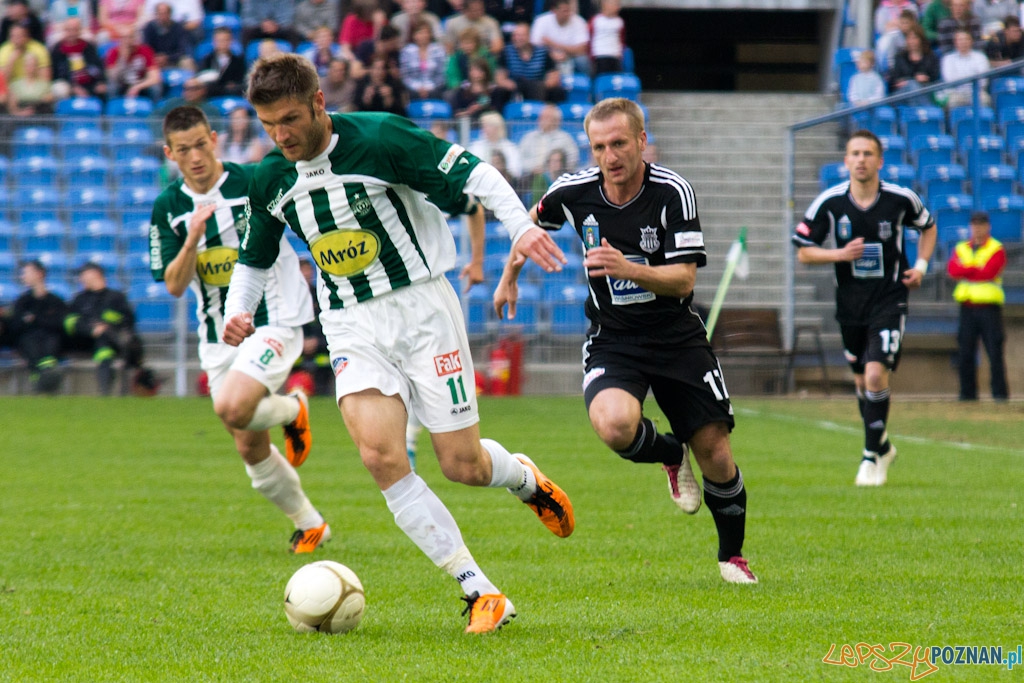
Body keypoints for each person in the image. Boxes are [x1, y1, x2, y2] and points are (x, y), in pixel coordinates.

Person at [222, 53, 575, 633]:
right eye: (267, 126)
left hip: (423, 310)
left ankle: (523, 479)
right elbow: (254, 258)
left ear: (317, 103)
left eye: (288, 119)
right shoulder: (270, 178)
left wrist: (523, 226)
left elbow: (476, 174)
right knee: (380, 457)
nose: (279, 135)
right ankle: (480, 592)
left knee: (461, 464)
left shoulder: (382, 138)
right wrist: (240, 310)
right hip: (349, 324)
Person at [494, 97, 756, 585]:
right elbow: (528, 226)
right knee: (614, 425)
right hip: (614, 338)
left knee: (716, 452)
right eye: (599, 147)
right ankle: (668, 454)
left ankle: (732, 557)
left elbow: (683, 282)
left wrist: (626, 267)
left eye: (619, 143)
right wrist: (509, 276)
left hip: (677, 338)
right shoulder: (574, 191)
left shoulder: (674, 192)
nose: (610, 156)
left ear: (641, 142)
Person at [151, 105, 331, 554]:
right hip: (218, 335)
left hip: (275, 316)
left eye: (200, 144)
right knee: (249, 447)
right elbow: (174, 285)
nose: (195, 157)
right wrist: (192, 239)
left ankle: (291, 411)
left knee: (232, 406)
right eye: (183, 150)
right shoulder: (168, 207)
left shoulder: (253, 181)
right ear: (169, 153)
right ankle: (310, 523)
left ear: (214, 139)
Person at [793, 129, 937, 487]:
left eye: (868, 154)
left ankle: (870, 457)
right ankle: (883, 444)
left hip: (889, 299)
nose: (861, 160)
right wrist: (839, 254)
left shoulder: (900, 199)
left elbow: (929, 227)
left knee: (875, 375)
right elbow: (804, 251)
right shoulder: (830, 202)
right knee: (861, 381)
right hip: (850, 305)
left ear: (880, 161)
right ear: (845, 161)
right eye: (854, 153)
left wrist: (920, 266)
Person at [947, 210, 1009, 401]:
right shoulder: (962, 247)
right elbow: (952, 270)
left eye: (981, 225)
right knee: (965, 351)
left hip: (989, 307)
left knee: (994, 351)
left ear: (987, 227)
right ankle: (967, 394)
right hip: (967, 307)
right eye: (974, 225)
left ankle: (999, 394)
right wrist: (974, 269)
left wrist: (967, 269)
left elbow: (989, 272)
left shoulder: (996, 248)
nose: (978, 229)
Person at [63, 262, 144, 395]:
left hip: (110, 341)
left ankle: (106, 390)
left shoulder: (116, 297)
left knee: (104, 343)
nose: (80, 279)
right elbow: (70, 322)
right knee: (104, 342)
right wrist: (91, 330)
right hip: (84, 342)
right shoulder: (80, 299)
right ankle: (106, 390)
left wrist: (105, 325)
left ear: (95, 274)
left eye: (82, 275)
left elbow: (127, 320)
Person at [0, 260, 67, 394]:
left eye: (26, 272)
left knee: (50, 339)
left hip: (50, 342)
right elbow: (16, 325)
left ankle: (42, 375)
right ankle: (45, 375)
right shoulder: (23, 301)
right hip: (28, 343)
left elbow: (59, 324)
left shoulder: (55, 301)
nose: (22, 276)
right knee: (30, 340)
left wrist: (34, 320)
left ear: (39, 274)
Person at [497, 21, 564, 103]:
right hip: (515, 86)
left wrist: (542, 85)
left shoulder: (542, 51)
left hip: (538, 85)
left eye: (521, 35)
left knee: (556, 91)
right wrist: (512, 85)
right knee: (498, 91)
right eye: (515, 35)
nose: (517, 38)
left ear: (529, 36)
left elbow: (553, 77)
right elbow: (500, 78)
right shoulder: (506, 51)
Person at [50, 17, 108, 99]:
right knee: (60, 89)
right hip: (68, 84)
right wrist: (73, 87)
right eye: (69, 30)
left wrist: (100, 82)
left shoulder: (88, 47)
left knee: (103, 88)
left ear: (80, 31)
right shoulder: (58, 50)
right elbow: (56, 74)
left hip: (89, 83)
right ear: (64, 31)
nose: (72, 33)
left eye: (75, 30)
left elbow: (98, 67)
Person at [529, 0, 589, 77]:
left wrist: (552, 43)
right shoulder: (541, 20)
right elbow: (534, 45)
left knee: (582, 60)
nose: (567, 14)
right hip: (547, 56)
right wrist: (551, 54)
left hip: (571, 56)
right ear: (554, 11)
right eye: (564, 11)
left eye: (568, 10)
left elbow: (582, 49)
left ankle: (589, 85)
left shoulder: (579, 21)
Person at [518, 102, 579, 176]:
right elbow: (520, 159)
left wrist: (551, 169)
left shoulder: (565, 139)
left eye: (547, 117)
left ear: (556, 120)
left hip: (556, 177)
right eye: (541, 117)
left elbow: (572, 160)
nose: (541, 119)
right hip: (530, 176)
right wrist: (533, 168)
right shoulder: (529, 137)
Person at [104, 25, 162, 99]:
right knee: (112, 87)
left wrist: (137, 87)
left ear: (135, 38)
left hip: (140, 83)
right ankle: (112, 108)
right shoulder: (113, 52)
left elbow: (155, 77)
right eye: (123, 38)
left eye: (129, 37)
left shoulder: (145, 50)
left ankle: (156, 109)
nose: (127, 41)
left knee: (155, 88)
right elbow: (112, 77)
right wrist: (122, 59)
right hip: (122, 84)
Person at [888, 23, 940, 106]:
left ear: (920, 39)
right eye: (909, 38)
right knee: (912, 85)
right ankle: (925, 112)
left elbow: (935, 78)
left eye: (914, 38)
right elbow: (894, 80)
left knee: (914, 87)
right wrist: (911, 80)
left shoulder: (931, 58)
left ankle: (918, 114)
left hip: (924, 90)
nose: (912, 41)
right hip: (901, 94)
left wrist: (927, 79)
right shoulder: (900, 57)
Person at [939, 28, 991, 109]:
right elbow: (950, 80)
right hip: (956, 93)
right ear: (955, 42)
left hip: (976, 92)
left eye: (966, 39)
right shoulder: (948, 59)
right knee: (953, 101)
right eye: (960, 40)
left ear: (971, 41)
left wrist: (963, 80)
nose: (963, 42)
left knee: (984, 99)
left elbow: (983, 81)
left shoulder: (980, 57)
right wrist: (971, 78)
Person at [398, 17, 446, 100]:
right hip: (413, 89)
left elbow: (441, 74)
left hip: (434, 88)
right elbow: (405, 75)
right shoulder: (407, 51)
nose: (423, 36)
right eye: (420, 33)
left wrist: (428, 88)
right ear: (414, 35)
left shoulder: (438, 50)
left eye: (426, 33)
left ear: (430, 34)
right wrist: (418, 88)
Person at [195, 26, 246, 98]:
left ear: (231, 41)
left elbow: (241, 82)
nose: (222, 43)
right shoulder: (207, 60)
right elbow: (202, 79)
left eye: (226, 40)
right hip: (210, 96)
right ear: (214, 42)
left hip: (232, 95)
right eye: (219, 40)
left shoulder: (239, 61)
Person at [469, 110, 522, 179]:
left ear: (497, 128)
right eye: (483, 126)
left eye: (487, 126)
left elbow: (516, 171)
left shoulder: (510, 147)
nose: (483, 129)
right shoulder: (476, 146)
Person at [141, 2, 194, 71]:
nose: (162, 16)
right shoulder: (149, 28)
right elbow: (146, 48)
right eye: (160, 13)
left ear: (170, 14)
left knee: (187, 61)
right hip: (154, 61)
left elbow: (182, 50)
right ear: (156, 14)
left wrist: (167, 58)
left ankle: (191, 80)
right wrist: (156, 58)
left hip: (173, 60)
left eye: (165, 13)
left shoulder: (178, 28)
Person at [589, 0, 624, 76]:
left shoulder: (619, 22)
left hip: (615, 56)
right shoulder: (596, 20)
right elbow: (590, 38)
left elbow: (622, 40)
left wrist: (620, 54)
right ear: (605, 5)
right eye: (615, 4)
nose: (618, 7)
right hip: (600, 55)